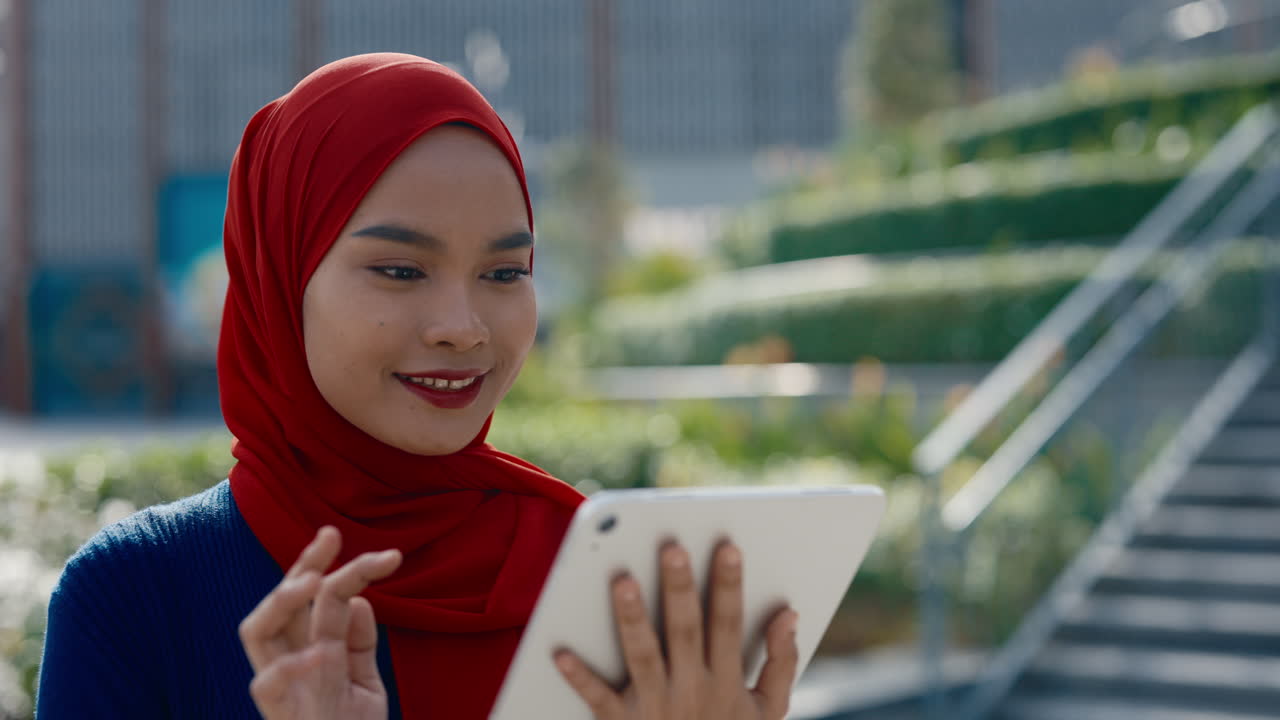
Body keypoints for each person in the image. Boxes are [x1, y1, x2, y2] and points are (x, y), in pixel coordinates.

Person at [35, 53, 799, 720]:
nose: (463, 327)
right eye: (400, 270)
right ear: (280, 280)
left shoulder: (607, 588)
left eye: (505, 273)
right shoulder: (138, 598)